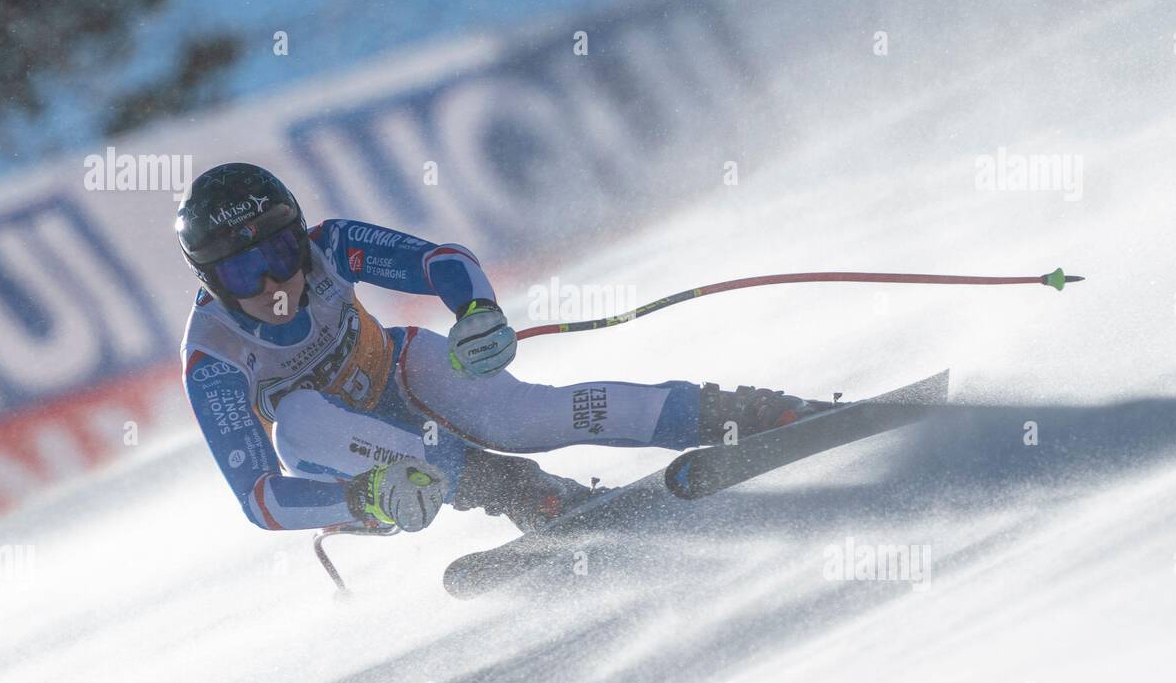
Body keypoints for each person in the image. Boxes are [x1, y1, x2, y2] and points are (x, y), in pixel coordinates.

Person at [177, 163, 821, 535]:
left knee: (526, 417)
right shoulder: (213, 358)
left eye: (282, 253)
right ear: (210, 282)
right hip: (350, 473)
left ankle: (741, 413)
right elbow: (259, 497)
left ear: (300, 236)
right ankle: (525, 494)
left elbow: (441, 260)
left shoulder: (331, 243)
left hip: (395, 368)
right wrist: (361, 499)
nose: (274, 284)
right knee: (302, 419)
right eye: (242, 273)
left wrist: (476, 311)